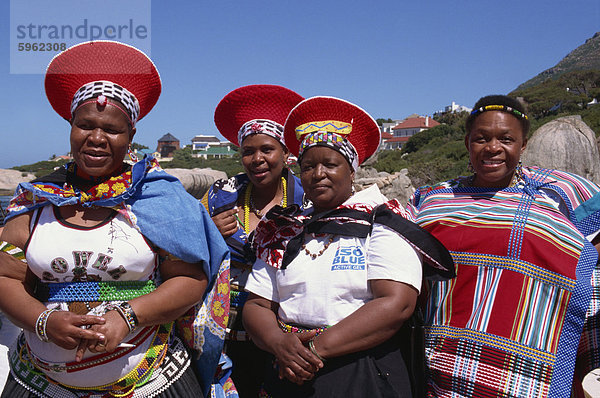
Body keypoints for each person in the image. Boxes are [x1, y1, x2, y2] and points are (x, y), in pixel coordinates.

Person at [0, 41, 231, 398]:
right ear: (70, 127)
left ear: (131, 136)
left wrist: (128, 317)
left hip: (151, 382)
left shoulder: (161, 199)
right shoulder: (37, 201)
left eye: (111, 129)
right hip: (41, 383)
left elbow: (189, 279)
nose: (96, 138)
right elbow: (6, 274)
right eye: (85, 125)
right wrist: (43, 321)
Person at [242, 96, 454, 397]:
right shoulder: (284, 230)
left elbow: (396, 304)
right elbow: (257, 304)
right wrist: (278, 343)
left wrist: (313, 350)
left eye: (330, 164)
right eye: (307, 166)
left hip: (361, 369)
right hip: (287, 367)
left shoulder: (381, 224)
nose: (317, 174)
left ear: (352, 170)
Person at [406, 94, 600, 397]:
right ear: (467, 142)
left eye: (506, 139)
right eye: (481, 138)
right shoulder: (433, 199)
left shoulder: (557, 190)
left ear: (523, 146)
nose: (493, 148)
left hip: (531, 360)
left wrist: (582, 268)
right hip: (443, 355)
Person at [201, 84, 306, 397]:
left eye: (267, 149)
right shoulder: (219, 196)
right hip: (220, 333)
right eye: (248, 151)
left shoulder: (308, 202)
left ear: (286, 154)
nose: (257, 158)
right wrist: (209, 235)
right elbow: (184, 253)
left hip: (282, 335)